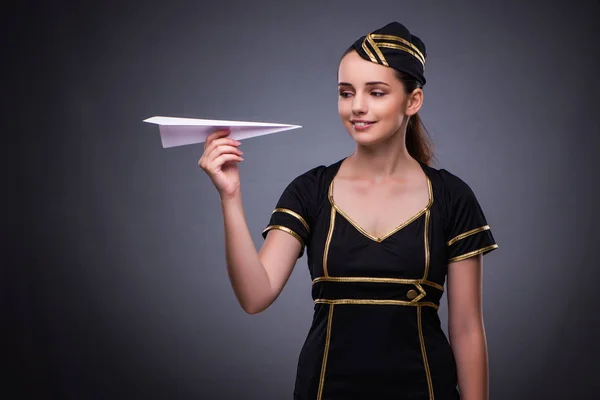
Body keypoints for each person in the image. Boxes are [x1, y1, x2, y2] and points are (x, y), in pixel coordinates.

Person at [199, 21, 498, 400]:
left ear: (413, 101)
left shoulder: (451, 196)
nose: (357, 106)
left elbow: (468, 328)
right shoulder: (310, 190)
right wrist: (230, 196)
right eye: (346, 92)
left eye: (376, 92)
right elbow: (255, 296)